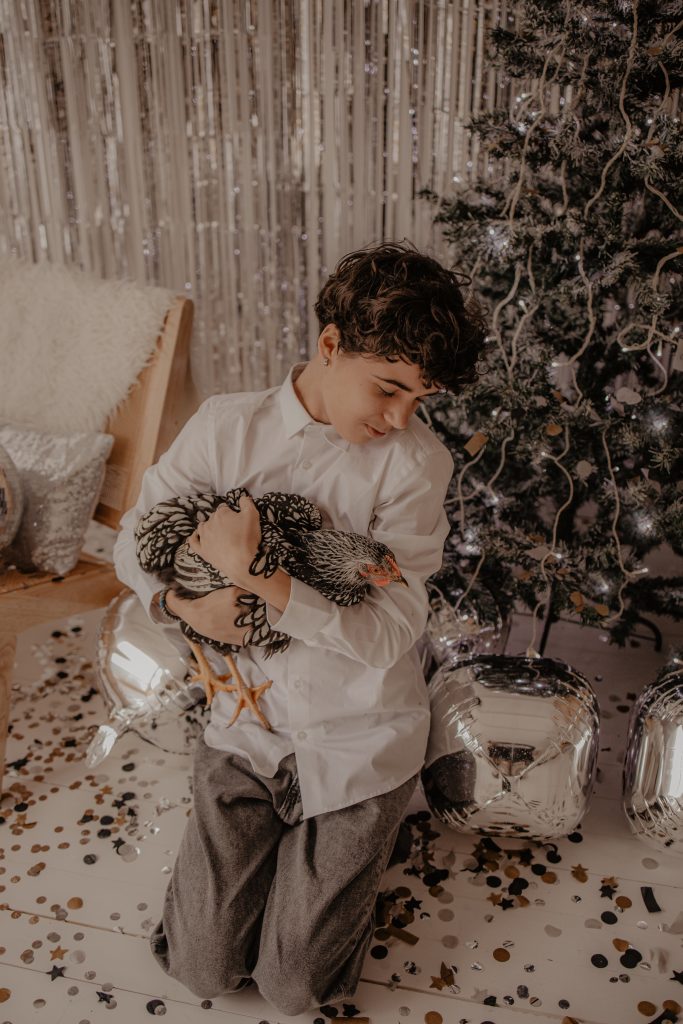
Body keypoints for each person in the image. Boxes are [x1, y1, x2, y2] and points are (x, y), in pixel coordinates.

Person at [113, 240, 486, 1016]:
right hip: (245, 732)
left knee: (294, 988)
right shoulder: (225, 428)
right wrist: (182, 608)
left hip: (359, 737)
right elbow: (133, 538)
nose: (398, 417)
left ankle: (369, 842)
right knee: (205, 969)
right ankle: (267, 873)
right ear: (329, 345)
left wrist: (265, 583)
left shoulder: (415, 466)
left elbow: (390, 628)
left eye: (418, 401)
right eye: (388, 389)